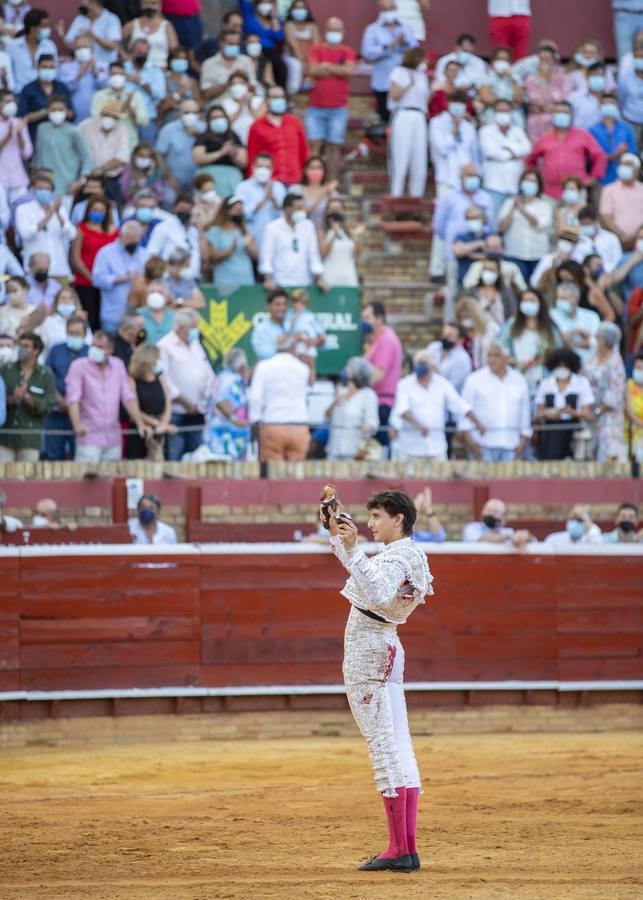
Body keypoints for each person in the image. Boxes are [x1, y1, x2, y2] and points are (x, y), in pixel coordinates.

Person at [326, 488, 432, 872]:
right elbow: (367, 578)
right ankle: (405, 847)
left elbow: (378, 591)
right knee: (397, 746)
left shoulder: (399, 557)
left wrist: (353, 548)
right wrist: (337, 535)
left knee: (384, 747)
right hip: (383, 647)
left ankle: (398, 849)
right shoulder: (403, 555)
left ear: (397, 519)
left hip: (370, 652)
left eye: (376, 517)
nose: (370, 524)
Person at [66, 330, 149, 461]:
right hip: (88, 436)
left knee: (112, 474)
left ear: (110, 350)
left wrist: (140, 423)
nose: (94, 350)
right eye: (93, 345)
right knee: (86, 474)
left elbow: (128, 397)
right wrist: (77, 424)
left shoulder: (118, 365)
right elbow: (73, 398)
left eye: (100, 347)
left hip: (113, 438)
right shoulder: (78, 366)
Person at [390, 348, 478, 461]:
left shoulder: (442, 383)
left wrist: (477, 421)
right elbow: (402, 410)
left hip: (437, 447)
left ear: (432, 366)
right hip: (411, 448)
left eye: (423, 362)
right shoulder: (405, 384)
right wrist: (419, 426)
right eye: (418, 362)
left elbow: (459, 404)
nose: (420, 366)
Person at [157, 308, 215, 460]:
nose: (196, 330)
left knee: (198, 456)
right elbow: (164, 379)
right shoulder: (165, 345)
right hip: (176, 411)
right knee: (175, 456)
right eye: (193, 327)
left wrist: (207, 397)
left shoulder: (195, 344)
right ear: (181, 328)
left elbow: (207, 372)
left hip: (199, 409)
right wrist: (184, 402)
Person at [304, 17, 356, 183]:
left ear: (343, 31)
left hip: (338, 108)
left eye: (337, 29)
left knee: (334, 147)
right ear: (325, 31)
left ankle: (332, 183)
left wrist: (327, 66)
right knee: (314, 146)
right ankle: (313, 183)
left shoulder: (348, 51)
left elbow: (348, 71)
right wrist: (337, 69)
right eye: (331, 29)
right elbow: (313, 70)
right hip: (316, 107)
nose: (334, 33)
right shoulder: (316, 49)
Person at [461, 343, 532, 461]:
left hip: (511, 443)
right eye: (489, 355)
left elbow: (525, 412)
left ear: (507, 359)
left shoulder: (519, 380)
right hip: (482, 443)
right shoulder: (474, 379)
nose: (492, 359)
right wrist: (469, 440)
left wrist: (523, 440)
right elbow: (464, 410)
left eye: (496, 355)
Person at [526, 101, 607, 199]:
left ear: (571, 115)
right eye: (558, 112)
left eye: (565, 112)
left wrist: (594, 177)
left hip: (576, 191)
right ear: (553, 115)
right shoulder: (545, 138)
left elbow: (599, 156)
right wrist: (537, 179)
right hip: (550, 192)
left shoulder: (582, 135)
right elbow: (531, 159)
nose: (562, 115)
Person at [248, 336, 311, 461]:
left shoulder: (264, 366)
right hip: (299, 426)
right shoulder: (303, 369)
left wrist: (255, 422)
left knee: (273, 470)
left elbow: (255, 397)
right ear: (294, 348)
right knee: (296, 471)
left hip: (273, 424)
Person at [0, 330, 54, 461]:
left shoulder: (46, 374)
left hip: (30, 440)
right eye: (20, 345)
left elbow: (48, 406)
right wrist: (12, 399)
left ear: (36, 350)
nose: (21, 349)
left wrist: (27, 398)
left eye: (25, 346)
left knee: (27, 474)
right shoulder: (5, 370)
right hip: (5, 438)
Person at [360, 0, 418, 123]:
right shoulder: (372, 29)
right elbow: (368, 53)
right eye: (385, 9)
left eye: (391, 8)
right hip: (383, 83)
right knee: (386, 120)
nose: (389, 12)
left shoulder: (406, 29)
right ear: (380, 11)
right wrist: (390, 46)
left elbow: (415, 52)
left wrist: (403, 43)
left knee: (403, 120)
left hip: (404, 84)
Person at [534, 347, 595, 460]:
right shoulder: (545, 384)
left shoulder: (581, 383)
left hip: (574, 432)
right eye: (559, 366)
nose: (562, 369)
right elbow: (538, 413)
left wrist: (572, 412)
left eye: (565, 366)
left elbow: (588, 414)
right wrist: (548, 413)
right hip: (551, 434)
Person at [500, 288, 562, 397]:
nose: (528, 303)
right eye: (525, 300)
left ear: (540, 303)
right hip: (517, 377)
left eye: (532, 300)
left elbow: (558, 351)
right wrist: (515, 362)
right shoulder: (512, 325)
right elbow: (502, 349)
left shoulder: (549, 327)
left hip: (542, 378)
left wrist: (543, 359)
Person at [42, 314, 88, 461]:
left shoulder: (90, 353)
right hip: (56, 411)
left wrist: (74, 404)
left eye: (77, 333)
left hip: (82, 413)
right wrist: (59, 399)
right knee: (53, 457)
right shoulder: (56, 350)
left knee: (79, 456)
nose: (74, 336)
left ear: (85, 334)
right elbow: (47, 377)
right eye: (71, 333)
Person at [70, 194, 119, 333]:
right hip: (86, 282)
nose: (98, 213)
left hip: (108, 284)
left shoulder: (113, 230)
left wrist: (106, 279)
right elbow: (76, 258)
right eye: (95, 210)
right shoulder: (81, 229)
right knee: (90, 318)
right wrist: (93, 278)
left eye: (101, 210)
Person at [14, 171, 76, 279]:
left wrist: (58, 214)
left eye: (47, 189)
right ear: (33, 189)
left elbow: (72, 235)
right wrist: (48, 216)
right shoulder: (23, 209)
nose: (44, 191)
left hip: (59, 268)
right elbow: (25, 234)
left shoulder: (60, 210)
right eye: (40, 188)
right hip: (35, 270)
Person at [259, 192, 325, 291]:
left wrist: (319, 278)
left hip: (304, 281)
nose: (302, 211)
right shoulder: (272, 228)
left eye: (303, 208)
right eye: (299, 208)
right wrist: (267, 279)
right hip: (280, 281)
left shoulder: (308, 226)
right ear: (287, 209)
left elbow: (313, 254)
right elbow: (267, 255)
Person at [387, 46, 429, 198]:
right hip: (403, 113)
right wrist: (408, 84)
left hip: (419, 115)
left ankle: (416, 193)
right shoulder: (399, 72)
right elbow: (394, 95)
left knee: (419, 156)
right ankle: (396, 192)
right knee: (401, 154)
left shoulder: (422, 76)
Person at [92, 220, 148, 333]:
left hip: (137, 317)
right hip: (113, 315)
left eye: (136, 241)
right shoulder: (106, 253)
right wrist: (121, 278)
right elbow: (97, 279)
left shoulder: (144, 254)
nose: (133, 244)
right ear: (121, 236)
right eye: (129, 240)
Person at [247, 84, 309, 186]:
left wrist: (305, 178)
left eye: (281, 97)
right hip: (268, 181)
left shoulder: (295, 122)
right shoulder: (256, 126)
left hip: (294, 179)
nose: (279, 100)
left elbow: (303, 152)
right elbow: (252, 155)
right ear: (266, 100)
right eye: (275, 97)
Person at [497, 170, 553, 283]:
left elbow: (538, 224)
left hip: (538, 255)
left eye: (533, 181)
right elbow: (502, 227)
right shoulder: (509, 203)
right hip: (514, 254)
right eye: (527, 180)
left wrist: (521, 209)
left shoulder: (544, 206)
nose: (529, 183)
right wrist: (512, 209)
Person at [479, 98, 531, 215]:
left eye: (506, 111)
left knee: (512, 220)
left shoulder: (518, 131)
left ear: (511, 113)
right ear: (494, 113)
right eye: (500, 111)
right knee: (493, 220)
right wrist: (515, 153)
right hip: (493, 185)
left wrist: (504, 147)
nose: (503, 114)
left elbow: (527, 148)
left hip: (515, 185)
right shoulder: (485, 131)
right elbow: (490, 152)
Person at [362, 301, 403, 448]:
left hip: (383, 404)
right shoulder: (376, 340)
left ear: (379, 318)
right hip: (376, 401)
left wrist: (357, 388)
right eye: (363, 318)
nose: (364, 322)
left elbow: (379, 374)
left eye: (367, 318)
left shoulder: (386, 340)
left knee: (380, 449)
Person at [586, 321, 627, 462]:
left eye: (598, 337)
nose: (595, 339)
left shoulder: (615, 362)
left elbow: (615, 393)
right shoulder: (593, 357)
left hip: (609, 417)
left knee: (608, 455)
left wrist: (598, 411)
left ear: (606, 340)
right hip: (590, 414)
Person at [126, 342, 174, 459]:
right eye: (157, 359)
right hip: (141, 430)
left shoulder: (160, 378)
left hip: (161, 430)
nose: (159, 362)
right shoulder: (132, 381)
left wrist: (164, 423)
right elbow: (133, 407)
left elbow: (168, 403)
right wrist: (155, 423)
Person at [325, 357, 379, 460]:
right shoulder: (341, 391)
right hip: (333, 452)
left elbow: (372, 423)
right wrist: (336, 401)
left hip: (354, 454)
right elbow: (327, 416)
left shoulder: (368, 395)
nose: (345, 369)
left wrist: (365, 428)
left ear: (357, 373)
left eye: (349, 367)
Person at [90, 61, 149, 150]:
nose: (117, 77)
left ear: (125, 76)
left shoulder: (134, 95)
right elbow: (97, 119)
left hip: (129, 144)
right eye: (114, 74)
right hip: (107, 144)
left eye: (121, 74)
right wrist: (124, 105)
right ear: (108, 76)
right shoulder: (99, 96)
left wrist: (130, 109)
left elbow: (143, 121)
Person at [192, 105, 246, 197]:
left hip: (231, 178)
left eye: (221, 117)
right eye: (214, 118)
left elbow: (244, 162)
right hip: (208, 178)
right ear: (209, 121)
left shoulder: (233, 136)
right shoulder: (203, 137)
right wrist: (221, 153)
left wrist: (233, 154)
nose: (218, 120)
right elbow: (198, 159)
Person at [207, 346, 250, 460]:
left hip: (227, 432)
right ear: (242, 366)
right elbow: (220, 402)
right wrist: (235, 420)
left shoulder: (222, 377)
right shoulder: (231, 380)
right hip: (226, 434)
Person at [17, 54, 72, 144]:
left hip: (61, 138)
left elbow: (72, 114)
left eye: (51, 67)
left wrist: (60, 112)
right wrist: (45, 112)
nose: (48, 70)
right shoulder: (28, 89)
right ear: (37, 67)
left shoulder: (62, 88)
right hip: (36, 138)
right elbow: (22, 118)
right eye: (45, 67)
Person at [206, 195, 257, 290]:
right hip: (224, 281)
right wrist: (232, 248)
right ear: (227, 211)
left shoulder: (246, 230)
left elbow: (255, 256)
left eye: (241, 211)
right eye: (236, 210)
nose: (239, 213)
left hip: (246, 279)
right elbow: (213, 257)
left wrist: (249, 245)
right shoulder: (215, 231)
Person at [236, 152, 286, 249]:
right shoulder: (243, 187)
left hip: (275, 240)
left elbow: (284, 215)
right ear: (253, 167)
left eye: (267, 167)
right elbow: (242, 214)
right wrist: (263, 200)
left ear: (272, 169)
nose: (263, 170)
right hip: (252, 239)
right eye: (260, 166)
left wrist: (273, 199)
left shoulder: (278, 187)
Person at [122, 37, 167, 143]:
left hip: (147, 118)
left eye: (145, 53)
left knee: (147, 149)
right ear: (132, 52)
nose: (142, 55)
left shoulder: (155, 71)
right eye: (139, 52)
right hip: (124, 118)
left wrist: (141, 83)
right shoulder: (122, 69)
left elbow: (160, 95)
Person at [523, 40, 570, 142]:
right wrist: (543, 80)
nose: (544, 62)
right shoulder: (531, 78)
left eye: (547, 59)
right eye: (541, 59)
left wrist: (554, 108)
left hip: (557, 114)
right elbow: (533, 100)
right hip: (537, 116)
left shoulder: (562, 77)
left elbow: (564, 97)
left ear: (553, 60)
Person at [590, 94, 637, 186]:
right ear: (599, 106)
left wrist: (625, 154)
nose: (608, 106)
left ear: (616, 106)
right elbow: (591, 158)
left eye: (611, 103)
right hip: (600, 180)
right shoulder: (593, 130)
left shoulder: (626, 128)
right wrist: (615, 154)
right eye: (605, 104)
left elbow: (632, 154)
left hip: (623, 179)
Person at [549, 281, 601, 366]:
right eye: (558, 298)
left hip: (588, 365)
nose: (559, 302)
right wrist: (577, 332)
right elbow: (556, 341)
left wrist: (571, 343)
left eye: (564, 299)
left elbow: (595, 342)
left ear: (576, 299)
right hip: (561, 365)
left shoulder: (592, 316)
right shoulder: (551, 315)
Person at [238, 0, 286, 90]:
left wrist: (273, 17)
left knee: (280, 66)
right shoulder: (249, 14)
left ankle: (279, 92)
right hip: (252, 49)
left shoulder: (275, 20)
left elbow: (279, 36)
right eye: (263, 2)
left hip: (271, 52)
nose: (265, 5)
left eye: (268, 2)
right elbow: (243, 2)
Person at [8, 8, 59, 94]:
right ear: (32, 28)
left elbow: (55, 71)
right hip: (19, 95)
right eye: (44, 26)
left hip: (44, 96)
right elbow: (9, 75)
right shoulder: (12, 47)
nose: (48, 29)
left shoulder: (50, 46)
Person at [599, 153, 643, 251]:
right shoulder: (609, 190)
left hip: (640, 239)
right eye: (623, 164)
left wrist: (636, 235)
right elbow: (606, 216)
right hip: (616, 240)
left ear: (637, 170)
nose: (625, 168)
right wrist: (621, 236)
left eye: (628, 165)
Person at [200, 27, 257, 103]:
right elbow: (206, 94)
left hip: (243, 105)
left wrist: (243, 80)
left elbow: (254, 89)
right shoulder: (208, 64)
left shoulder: (246, 61)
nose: (234, 46)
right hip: (219, 106)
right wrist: (229, 82)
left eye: (236, 44)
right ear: (221, 43)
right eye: (231, 44)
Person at [62, 0, 121, 70]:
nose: (82, 9)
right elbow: (70, 43)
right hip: (83, 68)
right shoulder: (79, 19)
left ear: (94, 3)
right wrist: (79, 40)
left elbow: (114, 46)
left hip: (105, 68)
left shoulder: (111, 19)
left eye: (85, 6)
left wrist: (94, 37)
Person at [122, 0, 178, 70]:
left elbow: (175, 51)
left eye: (153, 3)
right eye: (146, 3)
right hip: (135, 69)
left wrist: (168, 67)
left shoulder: (167, 26)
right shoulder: (132, 24)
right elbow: (116, 42)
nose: (150, 7)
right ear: (141, 5)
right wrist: (125, 56)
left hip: (161, 69)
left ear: (160, 6)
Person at [320, 197, 363, 287]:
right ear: (327, 211)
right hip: (330, 278)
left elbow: (357, 256)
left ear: (343, 211)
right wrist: (334, 233)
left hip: (349, 277)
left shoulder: (349, 232)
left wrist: (357, 237)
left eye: (338, 209)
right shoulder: (322, 232)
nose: (335, 212)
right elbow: (323, 254)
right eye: (332, 209)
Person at [0, 89, 33, 201]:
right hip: (1, 180)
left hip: (18, 178)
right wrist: (8, 136)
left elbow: (27, 153)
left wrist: (19, 134)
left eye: (13, 101)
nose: (11, 105)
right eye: (7, 101)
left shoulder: (18, 122)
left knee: (20, 208)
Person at [572, 206, 623, 274]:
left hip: (610, 274)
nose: (585, 227)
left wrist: (604, 270)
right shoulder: (578, 241)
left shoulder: (611, 238)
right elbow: (575, 261)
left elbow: (618, 260)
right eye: (582, 225)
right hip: (585, 275)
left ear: (596, 221)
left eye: (587, 224)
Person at [462, 497, 530, 547]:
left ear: (504, 519)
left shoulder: (508, 532)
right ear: (482, 512)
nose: (491, 514)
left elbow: (529, 541)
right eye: (488, 510)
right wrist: (508, 537)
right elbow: (481, 539)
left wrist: (524, 537)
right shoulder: (472, 528)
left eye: (495, 512)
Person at [478, 47, 523, 122]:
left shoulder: (515, 78)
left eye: (505, 60)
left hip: (512, 113)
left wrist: (511, 79)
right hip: (492, 112)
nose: (502, 62)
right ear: (493, 61)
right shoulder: (486, 77)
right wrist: (503, 105)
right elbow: (486, 98)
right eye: (499, 59)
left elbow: (518, 99)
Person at [283, 0, 319, 96]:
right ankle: (292, 94)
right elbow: (293, 46)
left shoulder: (312, 26)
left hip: (310, 57)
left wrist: (310, 61)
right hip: (292, 57)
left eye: (302, 8)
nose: (300, 10)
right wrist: (303, 62)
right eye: (297, 8)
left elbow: (316, 46)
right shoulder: (288, 25)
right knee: (296, 65)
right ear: (292, 10)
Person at [426, 323, 472, 393]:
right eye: (444, 334)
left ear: (460, 340)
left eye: (449, 336)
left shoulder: (462, 359)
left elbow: (452, 387)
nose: (444, 338)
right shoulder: (433, 347)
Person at [298, 155, 338, 231]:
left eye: (319, 168)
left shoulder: (331, 191)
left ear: (324, 171)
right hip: (302, 232)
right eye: (312, 168)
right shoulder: (296, 190)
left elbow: (335, 215)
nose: (315, 171)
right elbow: (301, 214)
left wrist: (329, 196)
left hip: (323, 233)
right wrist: (322, 193)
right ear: (305, 170)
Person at [250, 287, 289, 361]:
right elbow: (263, 354)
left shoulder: (292, 326)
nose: (282, 307)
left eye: (284, 304)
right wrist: (278, 344)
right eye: (277, 304)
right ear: (268, 306)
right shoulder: (261, 329)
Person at [626, 351, 643, 462]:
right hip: (632, 431)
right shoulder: (629, 385)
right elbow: (629, 411)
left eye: (641, 368)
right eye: (636, 367)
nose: (638, 370)